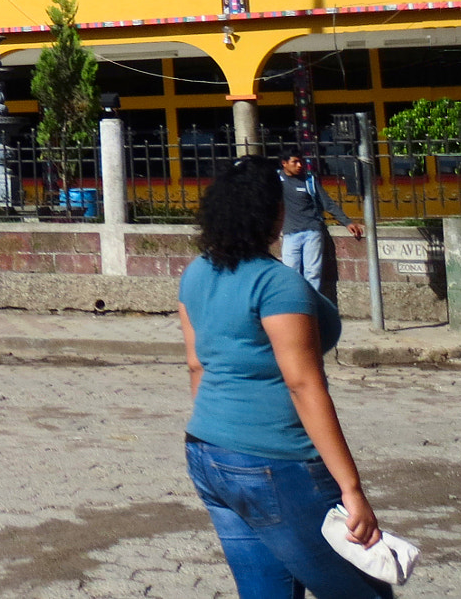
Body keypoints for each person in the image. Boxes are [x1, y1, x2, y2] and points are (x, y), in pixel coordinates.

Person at [179, 156, 391, 598]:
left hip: (207, 451)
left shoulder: (196, 273)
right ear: (272, 212)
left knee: (266, 592)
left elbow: (197, 365)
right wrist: (351, 489)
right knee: (364, 593)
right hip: (274, 461)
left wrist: (220, 433)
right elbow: (303, 384)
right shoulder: (277, 285)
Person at [279, 148, 362, 293]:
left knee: (313, 273)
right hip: (290, 233)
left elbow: (327, 203)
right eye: (295, 162)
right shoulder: (277, 180)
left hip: (312, 232)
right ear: (284, 163)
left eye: (301, 161)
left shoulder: (309, 181)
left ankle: (312, 307)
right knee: (290, 273)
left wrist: (347, 222)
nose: (299, 165)